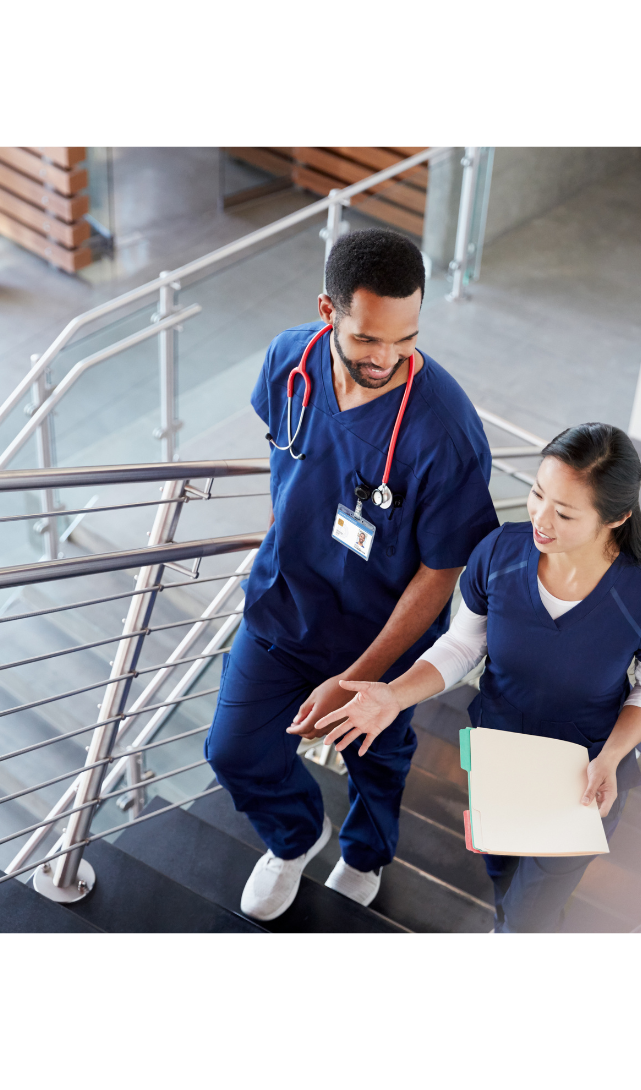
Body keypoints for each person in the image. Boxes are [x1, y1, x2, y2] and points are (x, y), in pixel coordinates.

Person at [204, 227, 501, 921]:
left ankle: (367, 853)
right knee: (233, 750)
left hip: (382, 643)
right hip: (283, 607)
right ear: (327, 311)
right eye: (368, 339)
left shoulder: (445, 432)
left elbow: (441, 572)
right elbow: (286, 456)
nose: (387, 359)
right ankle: (296, 835)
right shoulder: (290, 361)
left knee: (378, 760)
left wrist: (358, 678)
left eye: (406, 339)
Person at [311, 422, 641, 932]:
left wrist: (613, 755)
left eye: (565, 513)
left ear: (617, 517)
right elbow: (463, 644)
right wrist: (395, 696)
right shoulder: (499, 553)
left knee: (534, 906)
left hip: (585, 771)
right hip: (500, 751)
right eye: (537, 493)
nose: (541, 518)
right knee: (501, 870)